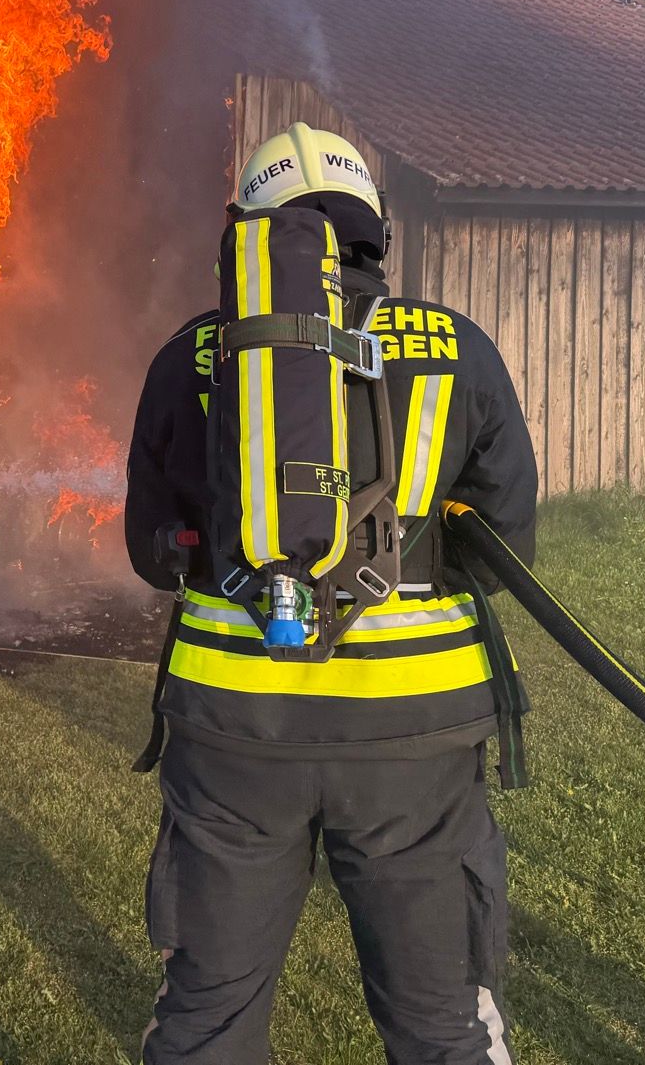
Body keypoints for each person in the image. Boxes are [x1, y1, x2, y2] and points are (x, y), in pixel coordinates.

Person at [125, 122, 538, 1065]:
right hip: (415, 745)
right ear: (376, 232)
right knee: (441, 1026)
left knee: (207, 1024)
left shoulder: (190, 355)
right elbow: (509, 542)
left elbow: (152, 553)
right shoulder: (455, 350)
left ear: (245, 231)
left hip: (235, 737)